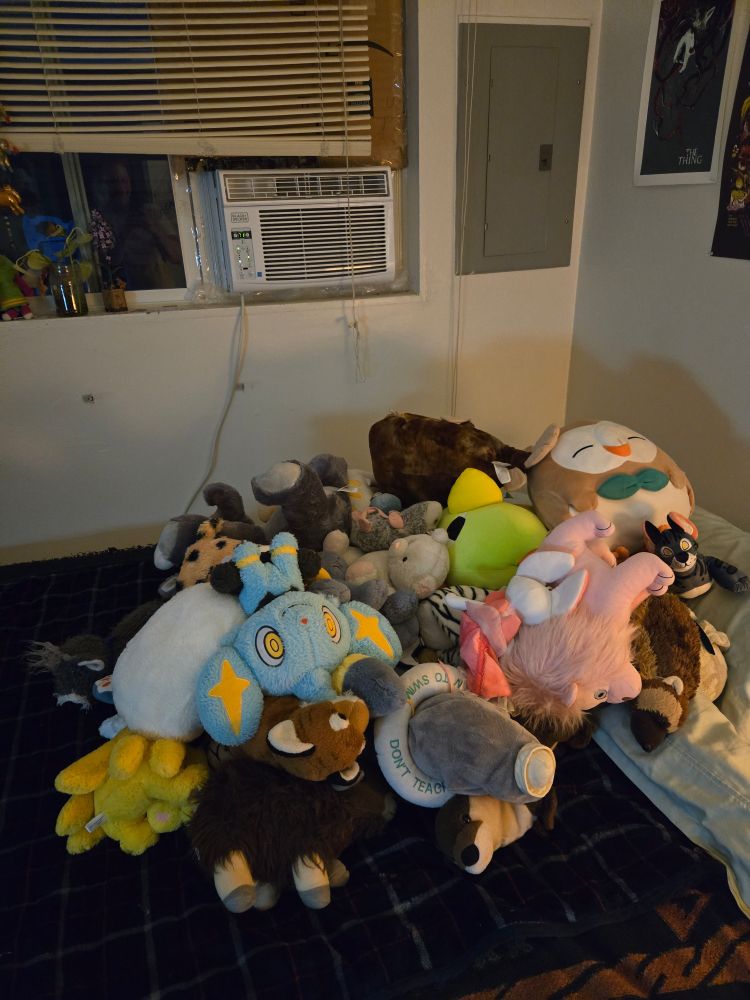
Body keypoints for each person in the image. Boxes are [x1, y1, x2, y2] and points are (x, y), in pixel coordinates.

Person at [92, 160, 183, 290]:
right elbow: (107, 264)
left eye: (124, 181)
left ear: (130, 183)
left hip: (162, 291)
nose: (121, 188)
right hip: (126, 294)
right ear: (104, 186)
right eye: (113, 182)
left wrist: (155, 229)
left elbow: (177, 257)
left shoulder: (151, 211)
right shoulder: (101, 220)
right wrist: (125, 232)